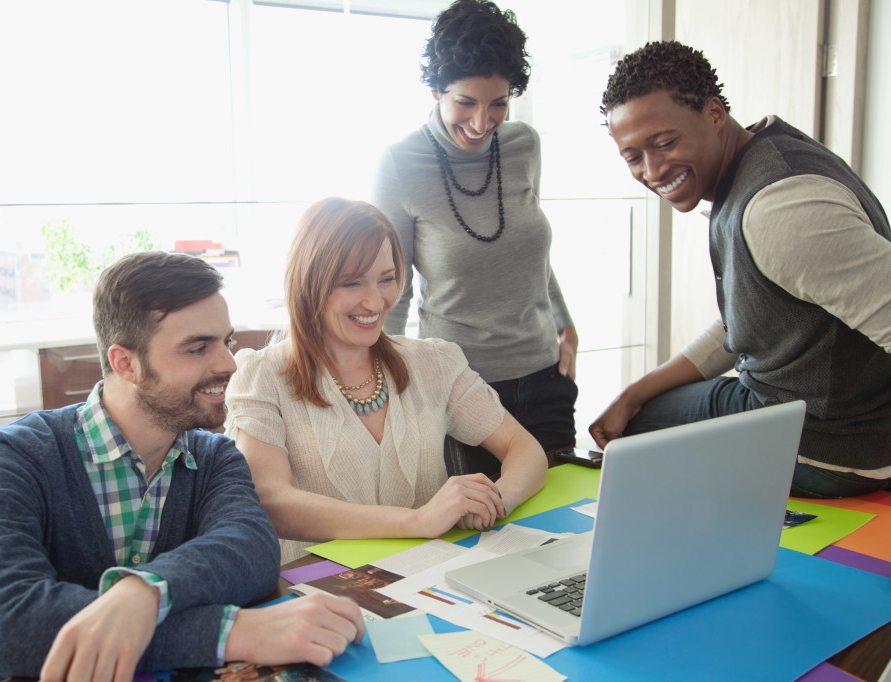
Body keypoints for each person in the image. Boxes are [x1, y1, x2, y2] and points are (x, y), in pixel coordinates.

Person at [0, 251, 364, 682]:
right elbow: (16, 631)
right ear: (126, 363)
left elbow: (252, 550)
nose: (228, 364)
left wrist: (143, 593)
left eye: (227, 341)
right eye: (199, 348)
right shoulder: (6, 461)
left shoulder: (215, 456)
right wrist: (228, 634)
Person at [592, 40, 891, 497]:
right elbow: (748, 317)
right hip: (812, 417)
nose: (652, 170)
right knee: (639, 411)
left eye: (665, 142)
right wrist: (634, 392)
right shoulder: (767, 151)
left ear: (714, 114)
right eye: (633, 157)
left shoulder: (779, 210)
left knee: (635, 438)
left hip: (830, 448)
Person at [225, 197, 546, 562]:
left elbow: (525, 449)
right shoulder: (260, 375)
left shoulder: (434, 362)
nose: (375, 302)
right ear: (309, 282)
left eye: (387, 279)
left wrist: (494, 500)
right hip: (317, 596)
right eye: (352, 283)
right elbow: (271, 501)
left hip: (430, 580)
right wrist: (417, 521)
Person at [371, 0, 579, 456]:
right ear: (436, 91)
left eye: (499, 104)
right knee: (479, 524)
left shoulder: (524, 145)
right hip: (458, 386)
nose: (482, 122)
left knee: (566, 521)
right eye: (465, 102)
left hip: (546, 379)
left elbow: (530, 252)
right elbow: (391, 286)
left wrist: (566, 325)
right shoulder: (401, 164)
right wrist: (384, 381)